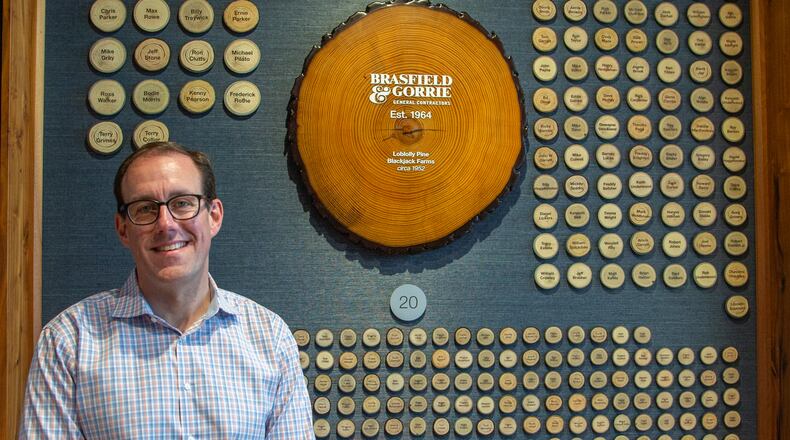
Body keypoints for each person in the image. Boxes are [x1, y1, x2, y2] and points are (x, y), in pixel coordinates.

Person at [20, 142, 315, 439]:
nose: (166, 224)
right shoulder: (67, 341)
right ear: (123, 229)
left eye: (183, 203)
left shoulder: (270, 338)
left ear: (213, 216)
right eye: (145, 208)